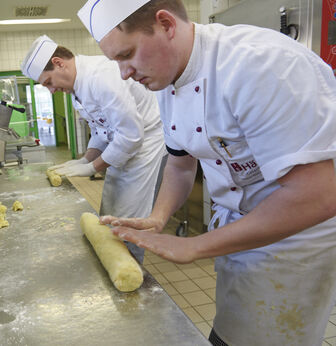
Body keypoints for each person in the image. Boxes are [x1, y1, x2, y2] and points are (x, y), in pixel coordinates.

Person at [77, 0, 336, 345]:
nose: (124, 73)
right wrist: (158, 217)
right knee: (232, 332)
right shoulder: (167, 79)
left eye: (127, 55)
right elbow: (181, 164)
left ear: (166, 24)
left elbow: (318, 195)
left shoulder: (260, 65)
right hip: (238, 226)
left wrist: (196, 246)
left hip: (294, 240)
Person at [21, 35, 168, 263]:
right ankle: (115, 256)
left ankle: (131, 270)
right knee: (111, 208)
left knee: (129, 216)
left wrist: (93, 167)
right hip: (124, 142)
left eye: (48, 82)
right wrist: (85, 159)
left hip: (146, 142)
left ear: (59, 63)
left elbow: (131, 136)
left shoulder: (101, 78)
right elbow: (101, 129)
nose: (51, 90)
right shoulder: (76, 90)